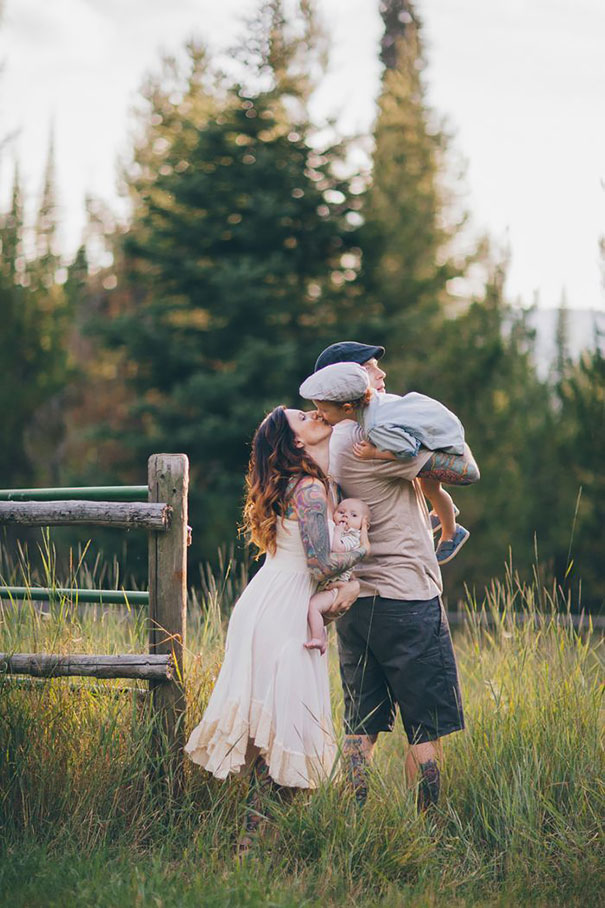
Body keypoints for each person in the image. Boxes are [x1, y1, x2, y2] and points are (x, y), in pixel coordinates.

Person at [184, 405, 368, 849]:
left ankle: (262, 845)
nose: (313, 415)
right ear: (297, 443)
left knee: (285, 734)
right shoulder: (306, 488)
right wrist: (361, 551)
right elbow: (322, 562)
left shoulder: (316, 483)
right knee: (282, 733)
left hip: (276, 602)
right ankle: (250, 850)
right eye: (302, 417)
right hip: (279, 612)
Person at [310, 341, 480, 811]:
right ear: (347, 391)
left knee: (360, 724)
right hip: (408, 597)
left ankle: (353, 819)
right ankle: (427, 832)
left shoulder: (333, 444)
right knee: (426, 726)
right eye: (367, 371)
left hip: (357, 598)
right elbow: (467, 469)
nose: (378, 377)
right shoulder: (375, 442)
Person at [300, 361, 470, 564]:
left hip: (442, 437)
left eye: (324, 411)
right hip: (439, 424)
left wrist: (376, 453)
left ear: (347, 408)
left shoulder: (373, 428)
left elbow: (409, 448)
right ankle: (444, 517)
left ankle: (450, 533)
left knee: (431, 489)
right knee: (431, 489)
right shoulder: (375, 405)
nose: (320, 415)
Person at [305, 497, 371, 654]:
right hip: (326, 585)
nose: (345, 516)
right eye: (341, 512)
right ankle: (319, 634)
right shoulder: (342, 532)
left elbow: (337, 549)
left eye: (353, 515)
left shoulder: (352, 538)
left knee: (314, 606)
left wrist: (338, 531)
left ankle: (319, 638)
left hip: (334, 588)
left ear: (364, 524)